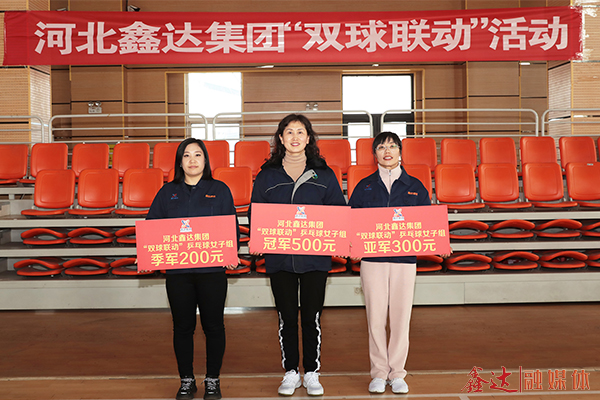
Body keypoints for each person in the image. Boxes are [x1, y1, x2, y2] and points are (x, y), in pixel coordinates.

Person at [249, 114, 347, 396]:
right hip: (280, 259)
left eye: (300, 132)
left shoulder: (325, 174)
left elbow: (338, 212)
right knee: (287, 318)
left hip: (315, 259)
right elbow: (256, 212)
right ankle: (291, 371)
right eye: (289, 132)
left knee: (311, 318)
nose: (295, 137)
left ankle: (312, 372)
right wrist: (258, 238)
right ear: (281, 139)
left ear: (308, 138)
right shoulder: (267, 175)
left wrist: (340, 240)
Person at [146, 138, 239, 400]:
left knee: (214, 327)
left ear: (205, 160)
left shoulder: (219, 189)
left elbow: (230, 224)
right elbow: (153, 227)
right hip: (179, 274)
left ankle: (213, 380)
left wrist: (231, 252)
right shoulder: (167, 192)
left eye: (198, 155)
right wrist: (150, 256)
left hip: (212, 272)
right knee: (182, 327)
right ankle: (186, 380)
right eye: (186, 155)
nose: (192, 160)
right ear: (179, 162)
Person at [348, 132, 431, 395]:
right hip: (373, 260)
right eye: (381, 147)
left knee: (400, 319)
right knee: (375, 318)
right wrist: (353, 246)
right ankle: (378, 372)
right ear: (374, 154)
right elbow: (351, 221)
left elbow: (428, 223)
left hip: (404, 260)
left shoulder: (415, 186)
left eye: (392, 146)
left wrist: (439, 243)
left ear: (400, 152)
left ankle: (397, 373)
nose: (387, 151)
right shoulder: (364, 186)